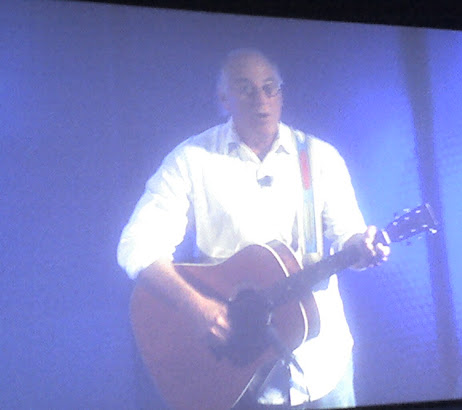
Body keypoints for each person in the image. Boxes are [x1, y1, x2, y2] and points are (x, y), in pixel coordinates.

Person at [117, 48, 390, 409]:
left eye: (269, 87)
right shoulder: (191, 160)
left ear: (281, 93)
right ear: (224, 99)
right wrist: (197, 307)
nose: (260, 99)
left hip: (323, 363)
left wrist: (363, 246)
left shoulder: (320, 158)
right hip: (236, 369)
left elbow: (349, 234)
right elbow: (137, 245)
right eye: (245, 88)